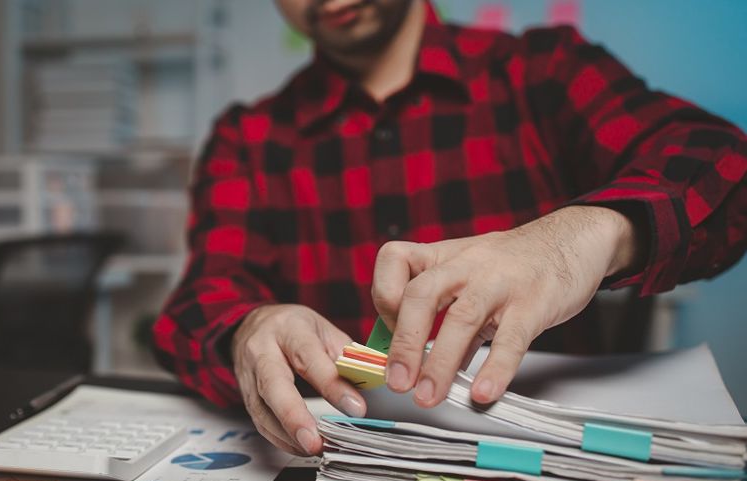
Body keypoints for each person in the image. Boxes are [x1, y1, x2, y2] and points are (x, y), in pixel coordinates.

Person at [152, 0, 747, 457]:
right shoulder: (248, 139)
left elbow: (721, 161)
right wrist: (250, 327)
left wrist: (582, 238)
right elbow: (198, 300)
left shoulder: (541, 71)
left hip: (546, 474)